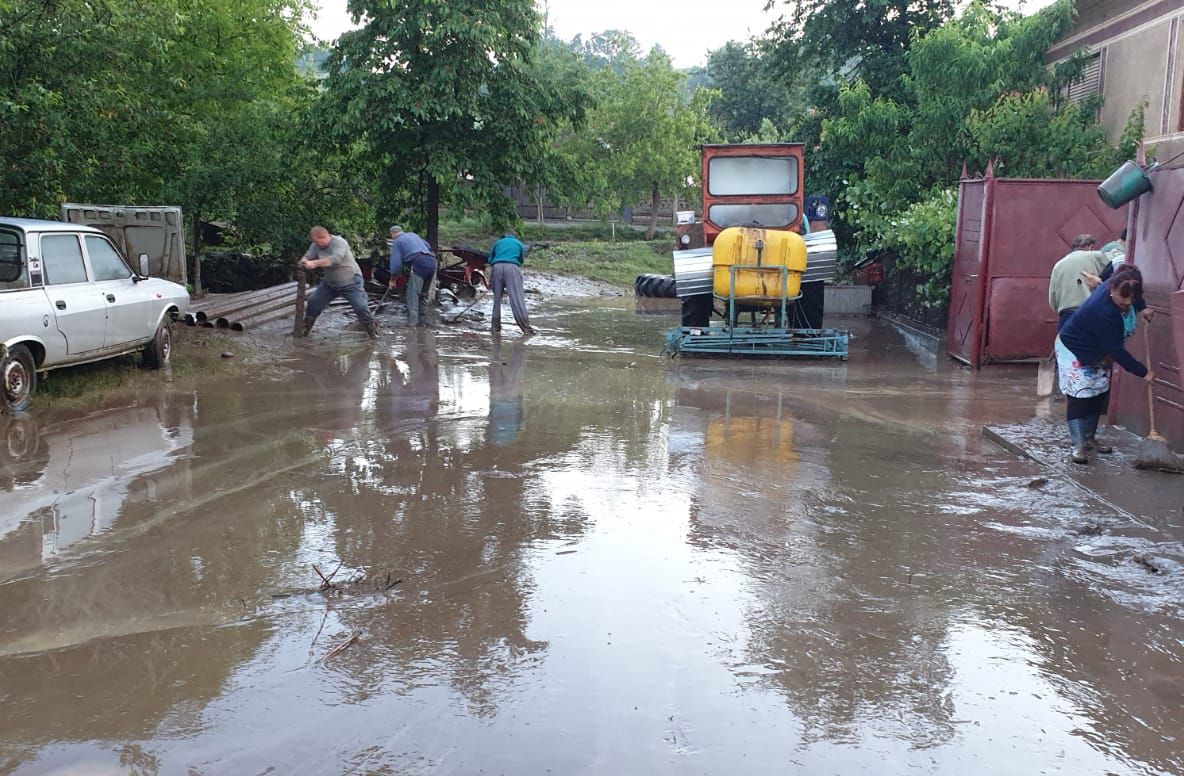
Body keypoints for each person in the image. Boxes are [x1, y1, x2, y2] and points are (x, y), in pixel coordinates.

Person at [1056, 264, 1154, 464]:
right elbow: (1116, 351)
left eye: (1131, 300)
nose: (1126, 304)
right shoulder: (1102, 312)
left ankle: (1090, 438)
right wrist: (1142, 372)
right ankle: (1078, 445)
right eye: (1123, 299)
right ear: (1111, 289)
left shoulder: (1122, 284)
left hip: (1098, 351)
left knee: (1098, 393)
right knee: (1080, 396)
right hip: (1075, 349)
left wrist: (1142, 308)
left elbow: (1132, 290)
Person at [298, 226, 377, 339]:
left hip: (351, 282)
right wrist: (303, 261)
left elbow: (336, 259)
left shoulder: (340, 243)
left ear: (324, 237)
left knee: (361, 307)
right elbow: (308, 256)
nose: (315, 244)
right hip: (330, 283)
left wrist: (314, 264)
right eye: (314, 242)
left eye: (317, 241)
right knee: (313, 303)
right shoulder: (315, 245)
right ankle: (304, 331)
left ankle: (373, 334)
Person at [1048, 234, 1111, 331]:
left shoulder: (1058, 265)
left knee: (1065, 345)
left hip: (1066, 316)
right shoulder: (1095, 256)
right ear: (1091, 247)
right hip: (1090, 313)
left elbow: (1052, 299)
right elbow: (1119, 261)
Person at [487, 229, 536, 335]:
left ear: (505, 236)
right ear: (515, 236)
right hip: (512, 268)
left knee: (496, 299)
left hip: (497, 267)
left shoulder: (498, 242)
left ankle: (495, 327)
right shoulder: (519, 244)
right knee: (516, 298)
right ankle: (525, 327)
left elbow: (490, 259)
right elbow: (521, 260)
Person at [388, 225, 437, 327]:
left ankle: (412, 325)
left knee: (412, 295)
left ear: (392, 234)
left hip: (419, 263)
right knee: (423, 295)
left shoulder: (398, 241)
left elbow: (396, 264)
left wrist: (393, 279)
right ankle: (422, 323)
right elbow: (427, 246)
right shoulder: (413, 235)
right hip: (432, 262)